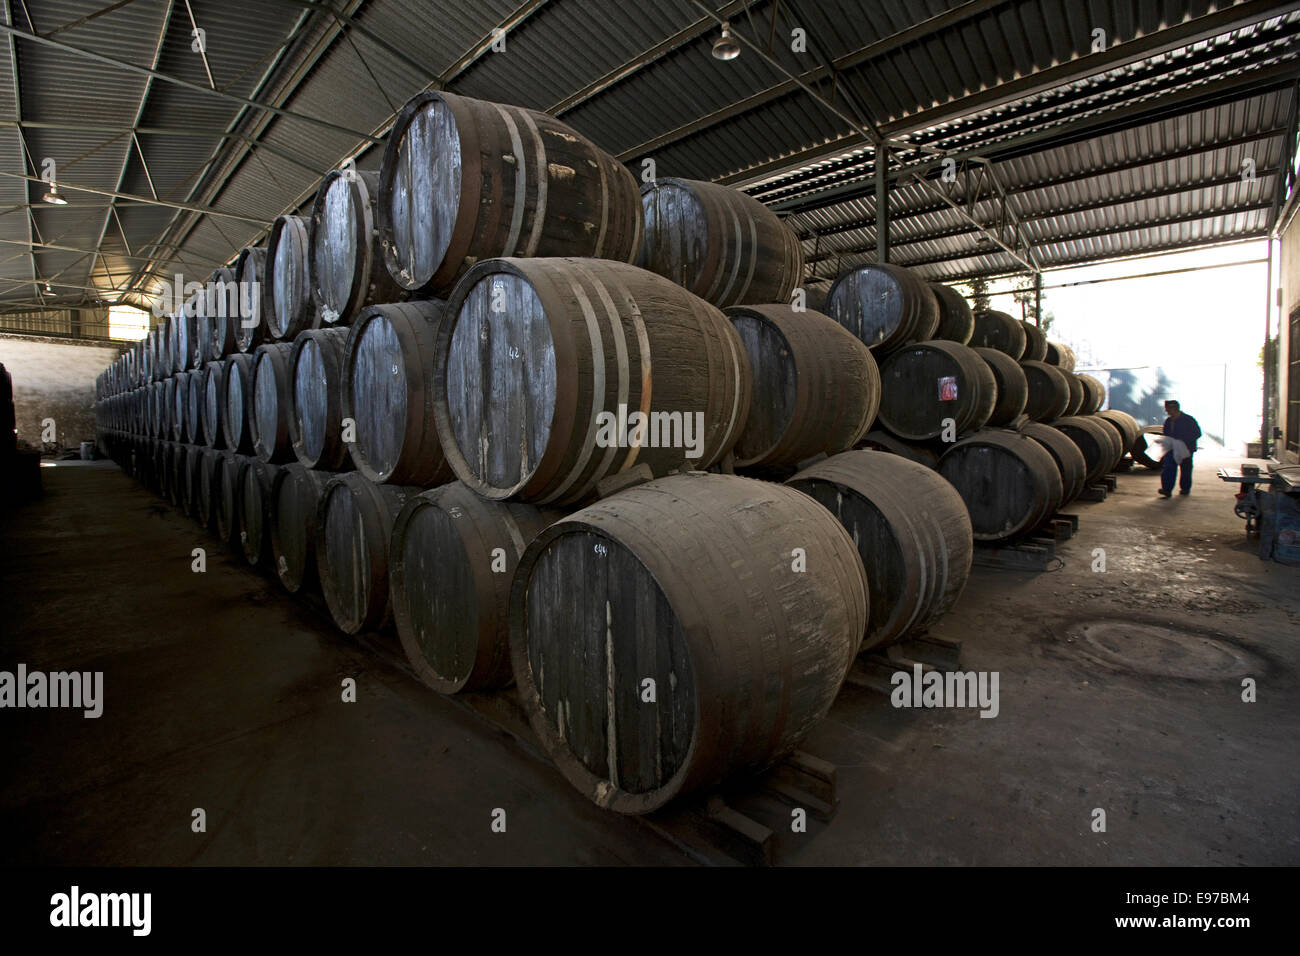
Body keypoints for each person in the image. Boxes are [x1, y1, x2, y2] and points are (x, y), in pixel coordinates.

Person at [1158, 399, 1201, 498]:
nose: (1166, 411)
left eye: (1168, 409)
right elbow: (1166, 434)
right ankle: (1167, 489)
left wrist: (1183, 440)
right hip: (1172, 448)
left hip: (1186, 448)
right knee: (1169, 467)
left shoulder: (1188, 420)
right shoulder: (1168, 421)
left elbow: (1197, 433)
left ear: (1174, 409)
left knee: (1186, 468)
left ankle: (1185, 488)